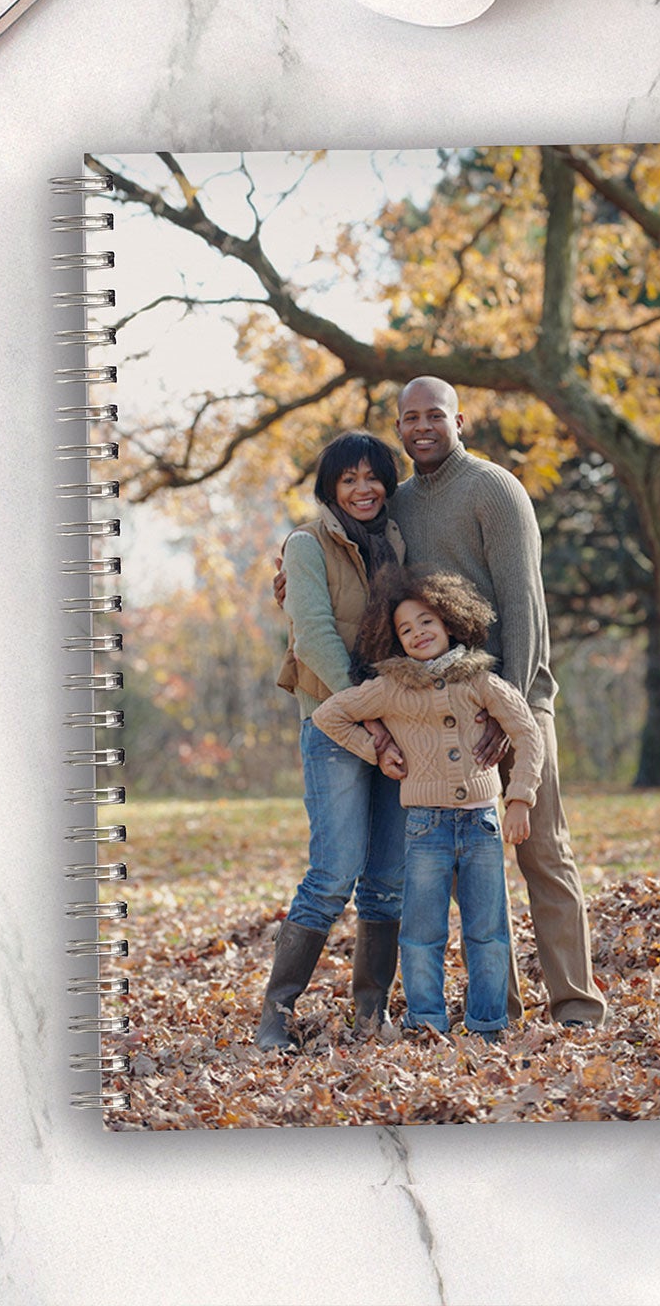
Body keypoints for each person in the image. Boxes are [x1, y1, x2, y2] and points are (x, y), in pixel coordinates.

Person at [387, 376, 607, 1028]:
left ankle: (575, 1007)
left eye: (435, 415)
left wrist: (512, 712)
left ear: (460, 420)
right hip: (448, 715)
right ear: (399, 427)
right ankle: (499, 1008)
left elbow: (523, 605)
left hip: (517, 701)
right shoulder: (399, 505)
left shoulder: (495, 489)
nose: (422, 427)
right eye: (410, 418)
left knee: (541, 849)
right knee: (478, 868)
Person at [312, 569, 544, 1041]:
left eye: (427, 622)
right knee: (421, 935)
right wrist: (376, 748)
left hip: (481, 823)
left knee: (489, 932)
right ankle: (427, 1022)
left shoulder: (481, 680)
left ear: (451, 623)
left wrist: (519, 797)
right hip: (424, 826)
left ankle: (487, 1025)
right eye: (406, 629)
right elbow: (328, 714)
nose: (418, 633)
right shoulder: (391, 687)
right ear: (393, 639)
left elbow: (527, 732)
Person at [257, 431, 408, 1050]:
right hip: (336, 726)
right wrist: (368, 717)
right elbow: (314, 636)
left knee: (388, 879)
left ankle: (371, 1014)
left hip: (401, 726)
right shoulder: (305, 544)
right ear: (329, 488)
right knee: (332, 874)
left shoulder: (397, 542)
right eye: (348, 479)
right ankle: (276, 1016)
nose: (362, 488)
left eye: (373, 477)